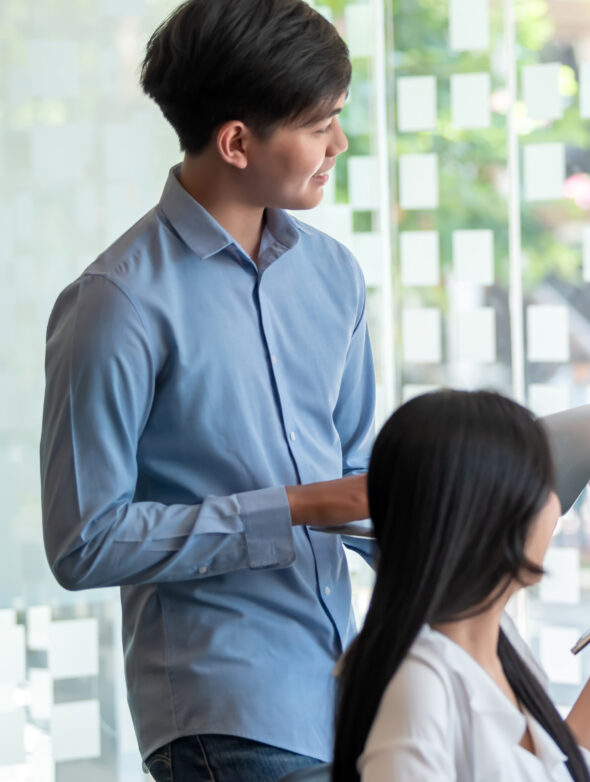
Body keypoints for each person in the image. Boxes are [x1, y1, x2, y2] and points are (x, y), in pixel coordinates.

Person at [38, 0, 373, 779]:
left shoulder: (334, 276)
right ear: (235, 142)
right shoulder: (115, 302)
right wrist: (293, 508)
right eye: (319, 124)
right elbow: (83, 542)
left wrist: (468, 508)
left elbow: (360, 482)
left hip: (342, 696)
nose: (339, 144)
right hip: (221, 714)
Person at [331, 390, 590, 782]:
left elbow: (553, 775)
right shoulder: (419, 684)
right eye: (545, 483)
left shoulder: (500, 645)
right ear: (487, 512)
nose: (556, 504)